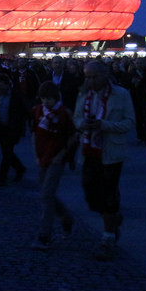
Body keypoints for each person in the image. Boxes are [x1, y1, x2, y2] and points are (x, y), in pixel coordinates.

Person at [73, 60, 136, 261]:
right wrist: (83, 124)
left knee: (108, 196)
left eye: (94, 76)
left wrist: (104, 125)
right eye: (87, 77)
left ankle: (107, 237)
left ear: (105, 74)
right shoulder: (84, 94)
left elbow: (129, 122)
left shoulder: (121, 94)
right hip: (88, 150)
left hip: (111, 153)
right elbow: (75, 118)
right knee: (90, 195)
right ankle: (113, 218)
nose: (90, 81)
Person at [29, 81, 77, 250]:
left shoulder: (63, 114)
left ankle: (45, 234)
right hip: (42, 156)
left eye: (49, 98)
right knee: (46, 193)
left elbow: (72, 136)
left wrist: (62, 155)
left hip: (56, 157)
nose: (46, 102)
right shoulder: (38, 111)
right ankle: (65, 216)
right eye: (43, 98)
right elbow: (34, 133)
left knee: (46, 194)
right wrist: (35, 154)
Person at [0, 74, 28, 186]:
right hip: (0, 128)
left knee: (7, 152)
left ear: (8, 85)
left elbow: (23, 111)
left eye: (1, 85)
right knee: (6, 152)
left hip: (12, 128)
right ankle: (20, 168)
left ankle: (2, 177)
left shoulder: (15, 96)